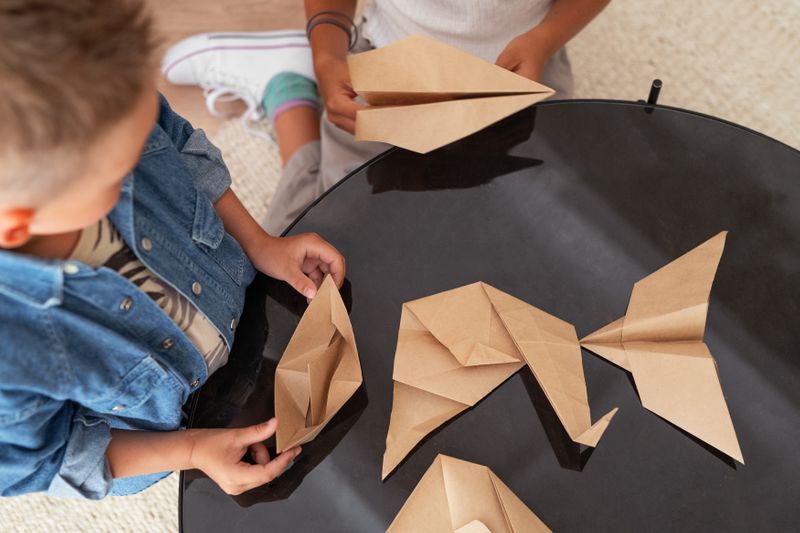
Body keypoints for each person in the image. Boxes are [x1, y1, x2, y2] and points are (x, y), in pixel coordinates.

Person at [0, 0, 343, 499]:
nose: (148, 147)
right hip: (177, 421)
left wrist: (261, 243)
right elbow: (51, 458)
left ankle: (286, 94)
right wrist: (191, 450)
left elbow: (180, 143)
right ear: (18, 225)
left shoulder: (100, 107)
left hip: (242, 309)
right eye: (124, 166)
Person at [162, 0, 610, 234]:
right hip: (385, 64)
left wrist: (545, 39)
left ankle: (292, 86)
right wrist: (326, 54)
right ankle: (288, 88)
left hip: (520, 73)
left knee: (503, 234)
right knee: (311, 237)